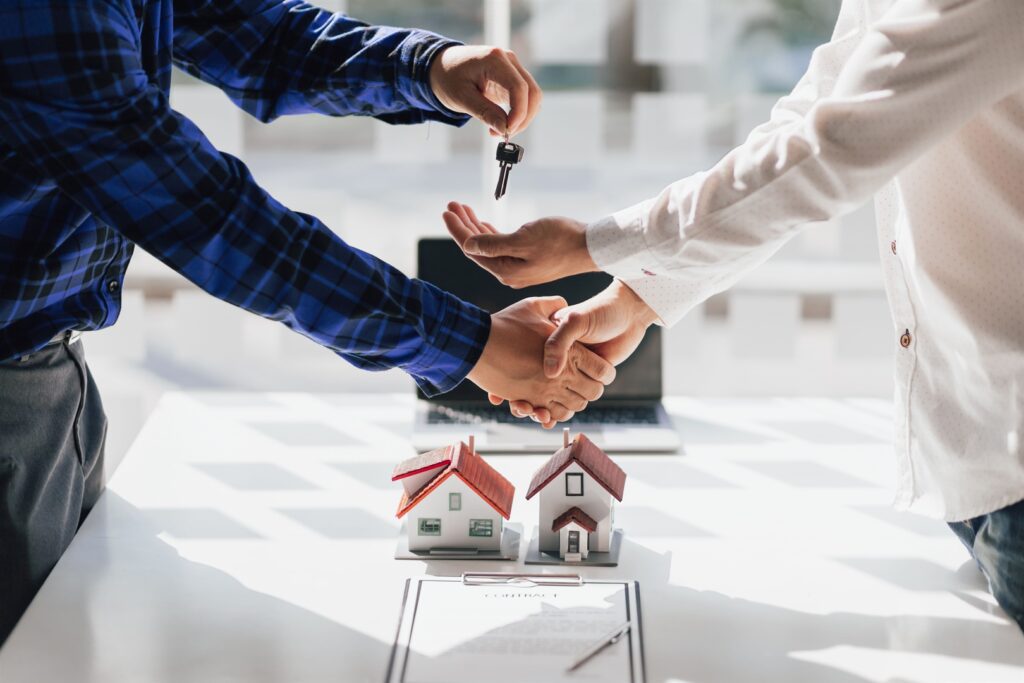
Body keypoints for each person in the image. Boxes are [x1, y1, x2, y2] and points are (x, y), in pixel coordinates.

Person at [0, 1, 616, 643]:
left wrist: (428, 66)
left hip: (50, 374)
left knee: (64, 629)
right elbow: (205, 214)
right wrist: (468, 344)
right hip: (10, 395)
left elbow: (247, 31)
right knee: (38, 650)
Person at [444, 0, 1024, 632]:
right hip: (974, 452)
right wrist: (635, 298)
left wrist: (594, 242)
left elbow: (829, 151)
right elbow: (809, 123)